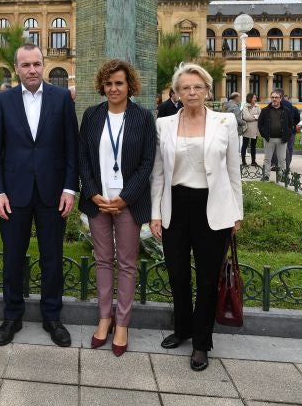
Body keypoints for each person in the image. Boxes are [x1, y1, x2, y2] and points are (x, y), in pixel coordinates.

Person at [150, 62, 242, 372]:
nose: (192, 92)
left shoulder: (225, 121)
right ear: (176, 92)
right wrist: (155, 213)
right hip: (175, 204)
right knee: (177, 274)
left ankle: (202, 343)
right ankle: (182, 329)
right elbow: (159, 173)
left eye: (197, 87)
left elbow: (233, 171)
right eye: (185, 87)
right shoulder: (164, 124)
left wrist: (236, 213)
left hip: (212, 206)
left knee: (206, 278)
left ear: (206, 90)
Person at [0, 43, 78, 347]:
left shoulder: (62, 98)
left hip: (53, 194)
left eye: (37, 64)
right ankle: (12, 316)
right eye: (25, 65)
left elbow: (71, 149)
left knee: (52, 258)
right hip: (13, 194)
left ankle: (52, 316)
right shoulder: (2, 101)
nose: (32, 70)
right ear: (17, 68)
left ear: (44, 63)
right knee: (13, 258)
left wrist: (69, 188)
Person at [78, 59, 156, 357]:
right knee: (102, 261)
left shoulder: (143, 117)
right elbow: (83, 156)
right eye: (109, 83)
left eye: (119, 83)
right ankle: (104, 318)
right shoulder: (92, 115)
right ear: (103, 85)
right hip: (98, 203)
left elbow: (148, 161)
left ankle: (122, 323)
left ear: (129, 86)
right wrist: (93, 192)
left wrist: (126, 196)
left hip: (128, 203)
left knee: (126, 263)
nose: (113, 88)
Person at [258, 88, 294, 180]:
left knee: (282, 159)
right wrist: (264, 134)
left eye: (276, 97)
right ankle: (266, 176)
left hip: (282, 139)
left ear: (280, 99)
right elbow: (260, 124)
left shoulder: (286, 110)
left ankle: (283, 177)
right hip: (269, 139)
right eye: (272, 97)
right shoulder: (265, 110)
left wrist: (287, 134)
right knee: (267, 159)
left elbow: (291, 124)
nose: (274, 99)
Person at [240, 93, 261, 166]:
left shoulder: (257, 106)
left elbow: (260, 116)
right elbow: (246, 117)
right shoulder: (245, 106)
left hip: (255, 129)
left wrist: (254, 117)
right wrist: (255, 117)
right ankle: (243, 161)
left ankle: (253, 161)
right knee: (245, 145)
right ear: (250, 98)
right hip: (247, 129)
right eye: (254, 97)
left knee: (253, 146)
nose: (255, 99)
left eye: (255, 97)